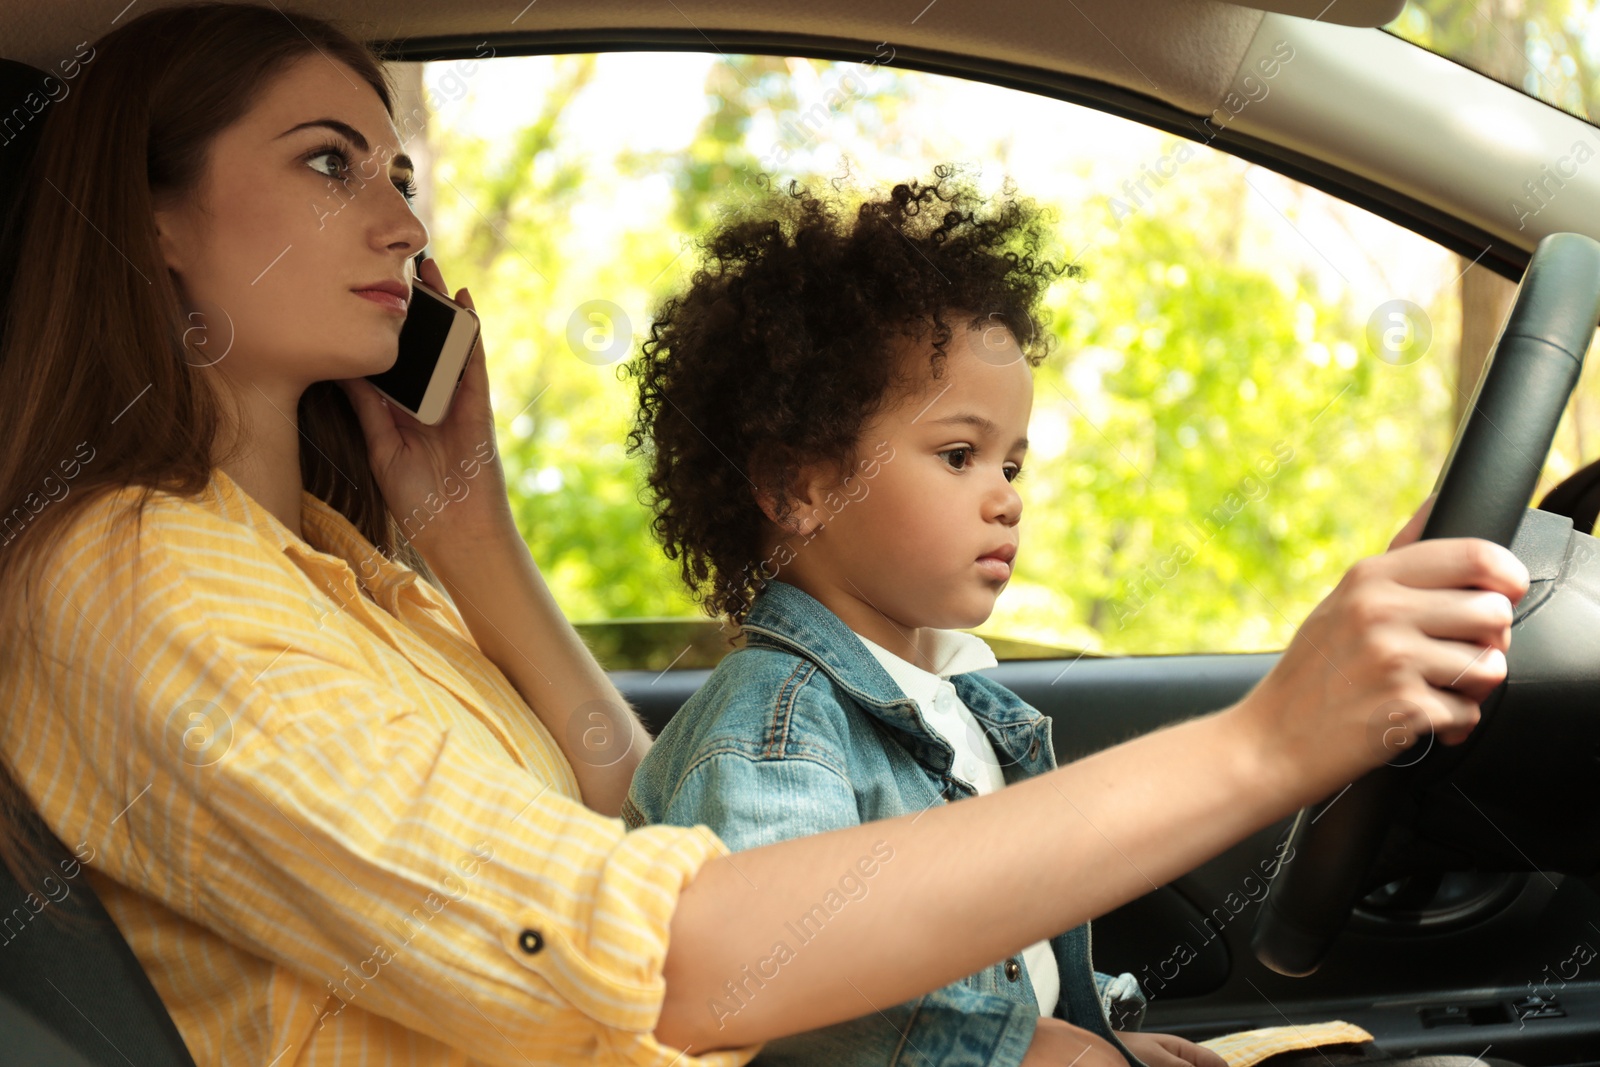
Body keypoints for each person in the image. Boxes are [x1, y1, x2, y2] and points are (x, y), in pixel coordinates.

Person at [0, 4, 1525, 1066]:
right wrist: (1270, 739)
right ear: (148, 219)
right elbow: (670, 952)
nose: (403, 223)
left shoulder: (346, 574)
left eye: (398, 171)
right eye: (329, 162)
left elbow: (630, 823)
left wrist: (471, 541)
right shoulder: (138, 573)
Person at [620, 174, 1519, 1067]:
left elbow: (1012, 971)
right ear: (800, 487)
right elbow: (768, 990)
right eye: (960, 454)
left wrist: (1102, 1039)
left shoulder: (955, 701)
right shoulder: (772, 720)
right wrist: (1036, 1053)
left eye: (1012, 466)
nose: (1005, 500)